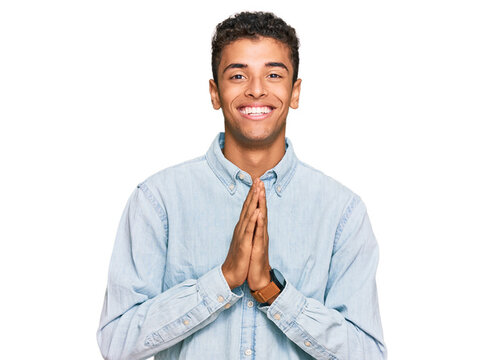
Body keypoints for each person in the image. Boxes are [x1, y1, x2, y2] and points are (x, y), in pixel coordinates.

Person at [96, 11, 386, 360]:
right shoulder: (158, 201)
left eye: (273, 74)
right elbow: (116, 342)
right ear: (215, 92)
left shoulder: (342, 212)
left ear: (295, 92)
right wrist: (221, 280)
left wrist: (272, 292)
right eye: (238, 75)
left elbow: (368, 354)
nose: (257, 89)